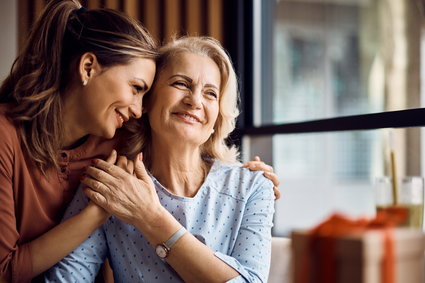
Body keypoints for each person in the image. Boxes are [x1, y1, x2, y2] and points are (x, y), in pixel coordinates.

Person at [0, 1, 279, 282]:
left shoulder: (251, 187)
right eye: (180, 83)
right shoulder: (112, 177)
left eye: (210, 93)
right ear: (150, 103)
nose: (195, 101)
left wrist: (151, 216)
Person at [0, 0, 158, 281]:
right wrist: (95, 213)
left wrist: (250, 176)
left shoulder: (121, 145)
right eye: (136, 89)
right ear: (88, 67)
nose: (137, 109)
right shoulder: (5, 136)